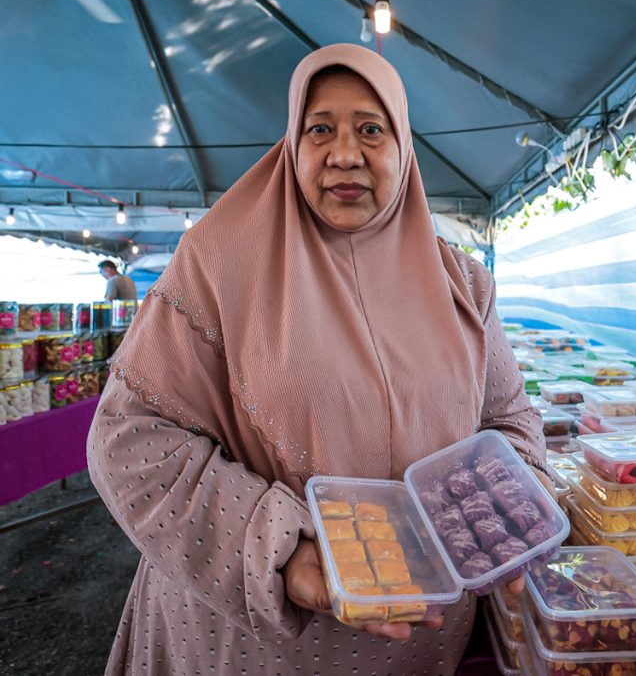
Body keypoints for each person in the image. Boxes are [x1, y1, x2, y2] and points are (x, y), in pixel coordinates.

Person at [87, 44, 546, 675]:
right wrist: (283, 552)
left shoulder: (462, 285)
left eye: (371, 129)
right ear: (292, 145)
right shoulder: (219, 267)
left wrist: (509, 511)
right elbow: (130, 440)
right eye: (320, 129)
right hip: (253, 650)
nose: (345, 153)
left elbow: (510, 421)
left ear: (404, 146)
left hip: (421, 641)